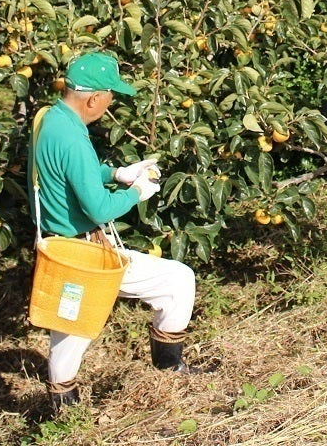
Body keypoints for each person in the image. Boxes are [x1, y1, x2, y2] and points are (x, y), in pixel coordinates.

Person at [29, 51, 206, 411]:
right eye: (110, 97)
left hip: (60, 249)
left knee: (71, 328)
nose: (109, 105)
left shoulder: (51, 119)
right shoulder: (73, 138)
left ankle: (63, 409)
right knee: (178, 280)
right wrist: (136, 192)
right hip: (86, 252)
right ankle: (169, 372)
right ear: (94, 99)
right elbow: (99, 209)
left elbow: (69, 169)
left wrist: (115, 173)